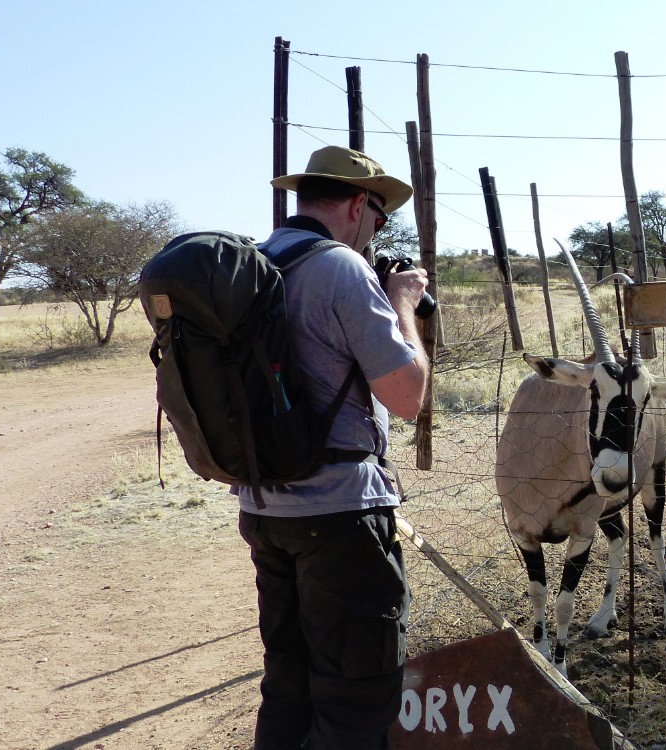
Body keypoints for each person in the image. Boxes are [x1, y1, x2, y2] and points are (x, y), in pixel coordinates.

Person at [238, 145, 431, 749]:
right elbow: (406, 395)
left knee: (287, 689)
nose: (376, 230)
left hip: (263, 512)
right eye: (377, 216)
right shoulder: (341, 269)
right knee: (355, 699)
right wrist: (401, 305)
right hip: (341, 518)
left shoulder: (251, 265)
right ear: (356, 204)